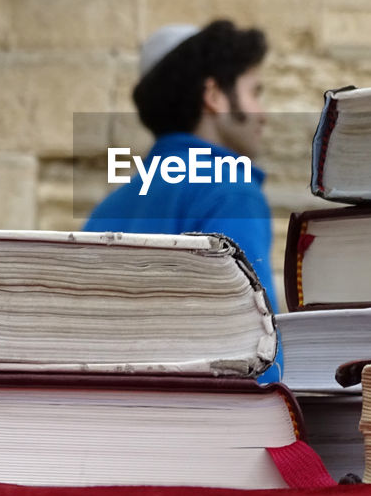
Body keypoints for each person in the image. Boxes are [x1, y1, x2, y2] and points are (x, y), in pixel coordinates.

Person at [83, 20, 282, 382]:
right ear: (215, 95)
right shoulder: (230, 193)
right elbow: (256, 354)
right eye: (254, 92)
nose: (263, 113)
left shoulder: (107, 209)